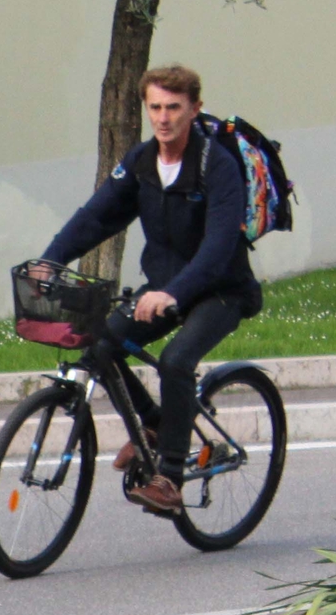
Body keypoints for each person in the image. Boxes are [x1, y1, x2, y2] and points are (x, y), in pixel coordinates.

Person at [38, 63, 262, 517]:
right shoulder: (141, 163)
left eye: (174, 108)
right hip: (164, 287)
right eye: (155, 107)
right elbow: (96, 216)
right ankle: (157, 424)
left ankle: (169, 478)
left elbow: (218, 248)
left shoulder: (217, 166)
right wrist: (50, 259)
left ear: (195, 109)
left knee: (177, 361)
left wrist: (172, 293)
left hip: (221, 290)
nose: (163, 118)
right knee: (100, 344)